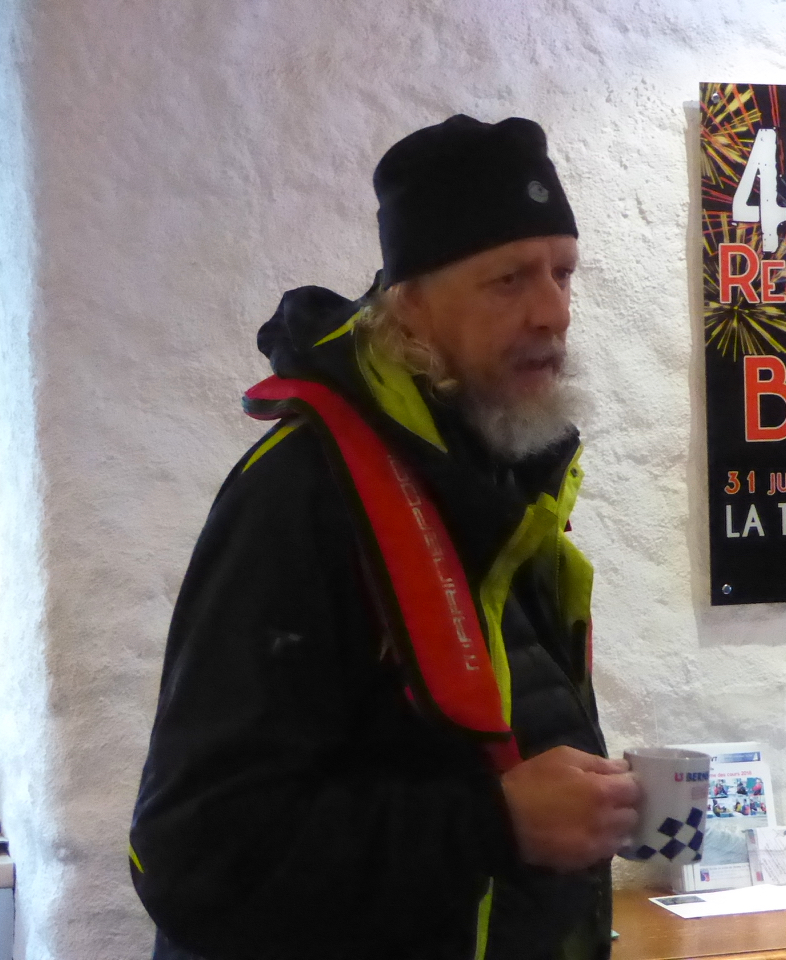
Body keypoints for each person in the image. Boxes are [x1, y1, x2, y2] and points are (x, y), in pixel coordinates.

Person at [129, 115, 639, 960]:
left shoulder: (503, 483)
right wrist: (494, 823)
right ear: (410, 306)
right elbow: (197, 856)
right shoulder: (303, 493)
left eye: (563, 273)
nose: (553, 311)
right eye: (508, 279)